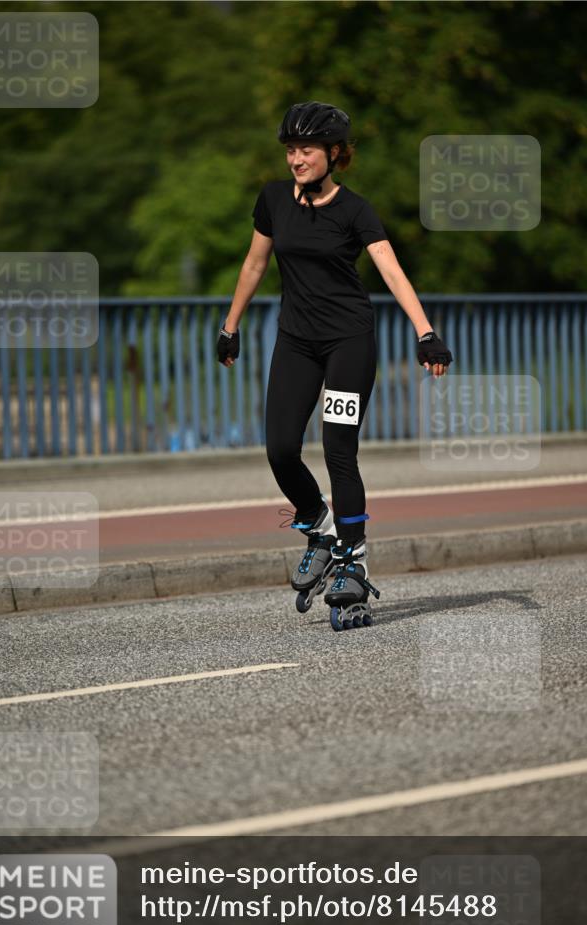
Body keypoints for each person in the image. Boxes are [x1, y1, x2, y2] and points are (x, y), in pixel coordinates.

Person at [217, 101, 453, 630]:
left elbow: (390, 270)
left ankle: (352, 560)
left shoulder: (356, 210)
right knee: (279, 447)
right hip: (296, 342)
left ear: (334, 153)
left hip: (349, 341)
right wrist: (229, 326)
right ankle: (320, 524)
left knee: (338, 450)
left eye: (306, 150)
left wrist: (426, 333)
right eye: (290, 150)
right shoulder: (274, 200)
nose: (295, 159)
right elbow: (255, 262)